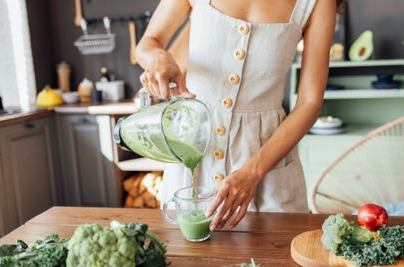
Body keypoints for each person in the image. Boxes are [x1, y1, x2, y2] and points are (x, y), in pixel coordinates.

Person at [136, 0, 337, 232]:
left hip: (268, 169)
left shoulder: (318, 3)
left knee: (275, 262)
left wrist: (253, 172)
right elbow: (147, 43)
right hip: (191, 152)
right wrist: (158, 58)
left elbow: (309, 103)